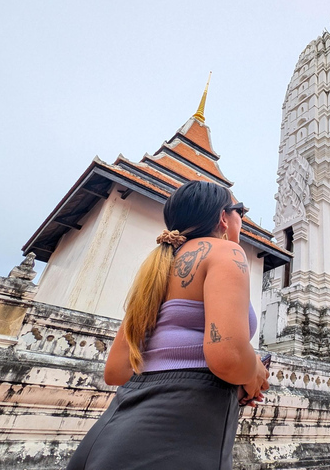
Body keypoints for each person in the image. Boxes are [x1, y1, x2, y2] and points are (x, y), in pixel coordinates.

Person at [66, 180, 270, 470]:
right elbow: (228, 357)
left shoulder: (157, 265)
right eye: (240, 211)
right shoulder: (226, 252)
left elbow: (115, 371)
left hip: (112, 433)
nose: (242, 218)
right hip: (175, 434)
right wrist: (254, 371)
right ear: (223, 218)